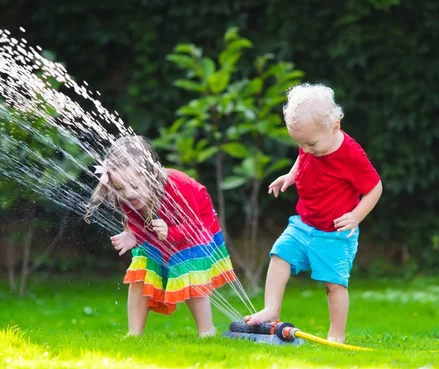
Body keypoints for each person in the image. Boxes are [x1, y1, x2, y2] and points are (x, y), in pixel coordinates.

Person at [244, 83, 383, 344]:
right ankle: (271, 309)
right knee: (279, 256)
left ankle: (336, 336)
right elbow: (302, 157)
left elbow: (375, 188)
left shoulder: (351, 155)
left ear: (335, 127)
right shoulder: (310, 140)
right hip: (303, 223)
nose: (305, 150)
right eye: (299, 144)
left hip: (335, 234)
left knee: (334, 285)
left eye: (310, 144)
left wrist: (356, 216)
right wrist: (291, 175)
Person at [85, 136, 236, 337]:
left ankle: (206, 330)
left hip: (193, 228)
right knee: (140, 273)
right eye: (121, 189)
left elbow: (194, 226)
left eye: (136, 187)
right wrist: (133, 237)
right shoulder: (127, 196)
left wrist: (170, 232)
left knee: (190, 273)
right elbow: (136, 222)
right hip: (157, 231)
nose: (129, 194)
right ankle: (134, 333)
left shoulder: (177, 185)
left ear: (153, 174)